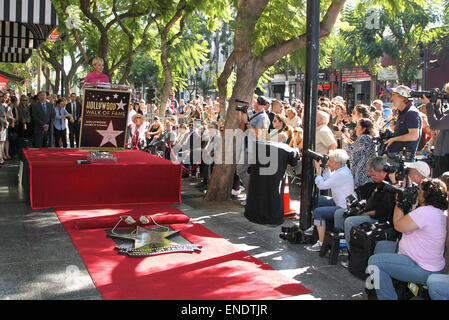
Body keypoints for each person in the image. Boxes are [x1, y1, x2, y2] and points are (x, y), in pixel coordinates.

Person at [367, 178, 448, 300]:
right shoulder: (438, 212)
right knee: (383, 246)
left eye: (420, 192)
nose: (418, 194)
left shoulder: (426, 212)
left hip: (421, 268)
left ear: (426, 195)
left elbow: (398, 225)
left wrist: (399, 203)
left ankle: (387, 297)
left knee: (374, 263)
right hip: (428, 264)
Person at [334, 156, 396, 254]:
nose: (372, 178)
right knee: (339, 213)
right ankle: (343, 243)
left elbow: (383, 211)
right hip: (368, 209)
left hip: (377, 217)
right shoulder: (379, 183)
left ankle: (352, 254)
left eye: (374, 175)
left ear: (382, 172)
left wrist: (363, 213)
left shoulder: (389, 187)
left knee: (350, 221)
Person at [306, 149, 356, 252]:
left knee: (318, 212)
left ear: (338, 163)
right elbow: (330, 180)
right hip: (338, 200)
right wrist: (325, 171)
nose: (328, 162)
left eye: (331, 161)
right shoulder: (341, 170)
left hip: (343, 207)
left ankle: (321, 242)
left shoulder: (342, 174)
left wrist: (318, 171)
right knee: (316, 200)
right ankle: (317, 225)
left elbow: (322, 186)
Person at [237, 95, 270, 205]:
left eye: (260, 104)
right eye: (257, 102)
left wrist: (248, 124)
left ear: (264, 106)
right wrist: (243, 118)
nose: (257, 105)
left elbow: (260, 134)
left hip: (256, 148)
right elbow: (241, 129)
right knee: (240, 170)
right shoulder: (250, 113)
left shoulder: (264, 118)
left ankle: (252, 197)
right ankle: (250, 193)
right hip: (246, 147)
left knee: (256, 174)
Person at [419, 83, 449, 177]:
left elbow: (435, 125)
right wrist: (435, 105)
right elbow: (441, 119)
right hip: (442, 154)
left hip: (445, 156)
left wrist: (428, 105)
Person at [385, 85, 422, 160]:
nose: (391, 98)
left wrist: (394, 139)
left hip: (403, 158)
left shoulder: (411, 113)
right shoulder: (402, 113)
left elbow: (414, 136)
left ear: (402, 97)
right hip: (396, 156)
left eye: (394, 95)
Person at [343, 118, 377, 198]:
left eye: (358, 127)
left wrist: (344, 142)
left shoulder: (365, 138)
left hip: (364, 177)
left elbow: (351, 149)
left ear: (363, 129)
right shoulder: (364, 138)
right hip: (362, 176)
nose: (355, 128)